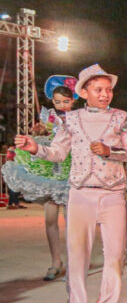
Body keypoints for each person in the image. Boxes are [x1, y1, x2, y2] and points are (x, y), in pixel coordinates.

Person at [14, 64, 127, 303]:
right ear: (84, 93)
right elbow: (58, 153)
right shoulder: (70, 120)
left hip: (112, 193)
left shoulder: (122, 118)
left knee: (115, 254)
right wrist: (35, 148)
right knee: (78, 255)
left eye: (108, 90)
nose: (105, 94)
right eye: (98, 90)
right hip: (81, 194)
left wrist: (110, 151)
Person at [3, 75, 77, 280]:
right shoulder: (49, 117)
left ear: (73, 100)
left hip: (72, 170)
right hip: (51, 169)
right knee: (50, 219)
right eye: (57, 102)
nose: (62, 105)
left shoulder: (79, 118)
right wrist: (40, 130)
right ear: (52, 101)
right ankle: (55, 261)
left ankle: (74, 262)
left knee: (72, 221)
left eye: (66, 101)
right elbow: (46, 139)